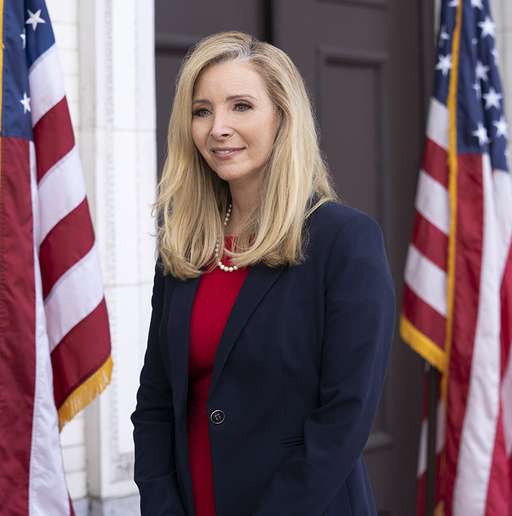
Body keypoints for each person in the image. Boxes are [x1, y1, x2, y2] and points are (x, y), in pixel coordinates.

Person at [131, 30, 396, 516]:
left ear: (282, 118)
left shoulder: (344, 240)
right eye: (202, 111)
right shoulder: (185, 242)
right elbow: (154, 403)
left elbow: (344, 417)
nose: (218, 128)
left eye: (241, 106)